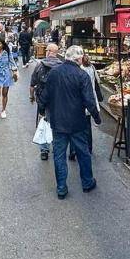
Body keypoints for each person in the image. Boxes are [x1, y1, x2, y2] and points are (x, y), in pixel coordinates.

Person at [40, 45, 100, 199]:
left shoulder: (54, 73)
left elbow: (45, 94)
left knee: (59, 155)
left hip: (58, 122)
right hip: (77, 122)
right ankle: (87, 182)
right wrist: (97, 118)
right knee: (83, 153)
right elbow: (89, 100)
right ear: (78, 59)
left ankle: (61, 188)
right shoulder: (82, 75)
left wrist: (41, 110)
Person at [29, 42, 63, 161]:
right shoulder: (62, 66)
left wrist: (31, 97)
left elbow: (32, 84)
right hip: (58, 100)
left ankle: (44, 150)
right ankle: (56, 146)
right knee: (56, 123)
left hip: (42, 99)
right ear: (57, 53)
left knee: (43, 122)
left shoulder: (40, 65)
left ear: (48, 52)